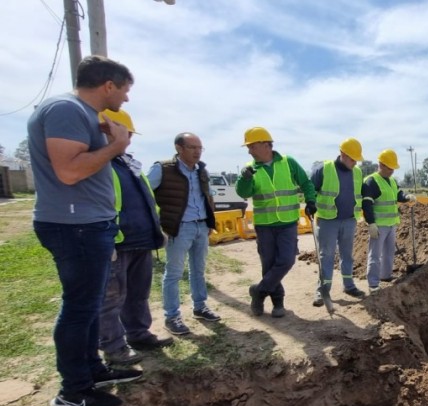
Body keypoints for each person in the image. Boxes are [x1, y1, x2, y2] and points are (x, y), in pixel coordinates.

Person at [29, 55, 142, 406]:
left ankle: (92, 370)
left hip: (89, 224)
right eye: (124, 90)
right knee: (79, 308)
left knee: (90, 305)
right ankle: (73, 391)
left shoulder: (83, 115)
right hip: (74, 226)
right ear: (108, 85)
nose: (125, 99)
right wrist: (115, 147)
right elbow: (68, 171)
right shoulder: (66, 110)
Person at [98, 109, 173, 366]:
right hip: (117, 241)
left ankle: (139, 335)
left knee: (137, 293)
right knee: (112, 298)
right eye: (126, 133)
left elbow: (147, 201)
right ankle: (114, 348)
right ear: (107, 130)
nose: (129, 139)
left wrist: (156, 230)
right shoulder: (98, 163)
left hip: (141, 239)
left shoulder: (128, 165)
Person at [236, 127, 316, 317]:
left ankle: (259, 292)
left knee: (287, 260)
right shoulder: (251, 169)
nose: (249, 151)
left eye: (252, 146)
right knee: (268, 265)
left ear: (266, 145)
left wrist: (311, 200)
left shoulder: (288, 163)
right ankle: (277, 303)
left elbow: (306, 183)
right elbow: (244, 192)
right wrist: (244, 179)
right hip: (265, 225)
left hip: (287, 223)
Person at [147, 132, 220, 336]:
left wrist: (209, 222)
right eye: (192, 147)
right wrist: (157, 223)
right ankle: (172, 316)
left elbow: (207, 196)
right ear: (179, 148)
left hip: (201, 226)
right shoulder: (163, 169)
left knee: (198, 270)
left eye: (200, 148)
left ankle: (200, 307)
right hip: (179, 229)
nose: (197, 152)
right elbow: (144, 192)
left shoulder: (201, 170)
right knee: (174, 273)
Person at [309, 137, 367, 306]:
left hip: (349, 220)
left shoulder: (357, 172)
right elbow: (310, 189)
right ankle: (323, 290)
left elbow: (360, 194)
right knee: (326, 256)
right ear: (342, 154)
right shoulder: (324, 169)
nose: (354, 162)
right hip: (328, 221)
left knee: (347, 255)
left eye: (356, 159)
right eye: (352, 158)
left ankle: (349, 286)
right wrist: (310, 204)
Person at [361, 149, 415, 292]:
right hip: (378, 225)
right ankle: (373, 283)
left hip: (391, 224)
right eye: (389, 167)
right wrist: (371, 223)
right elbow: (366, 204)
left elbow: (398, 194)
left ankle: (385, 275)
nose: (392, 171)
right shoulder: (371, 181)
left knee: (389, 252)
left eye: (393, 168)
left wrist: (407, 197)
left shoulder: (391, 181)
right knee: (375, 254)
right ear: (381, 164)